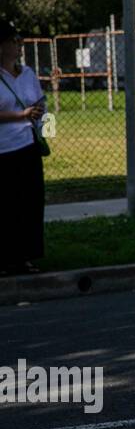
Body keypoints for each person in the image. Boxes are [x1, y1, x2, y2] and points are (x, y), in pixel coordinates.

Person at [0, 21, 46, 276]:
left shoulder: (28, 73)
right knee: (6, 206)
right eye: (13, 41)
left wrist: (41, 124)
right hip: (3, 148)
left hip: (28, 144)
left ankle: (25, 257)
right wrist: (21, 115)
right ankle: (5, 260)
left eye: (20, 41)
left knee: (29, 203)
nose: (18, 46)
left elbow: (41, 103)